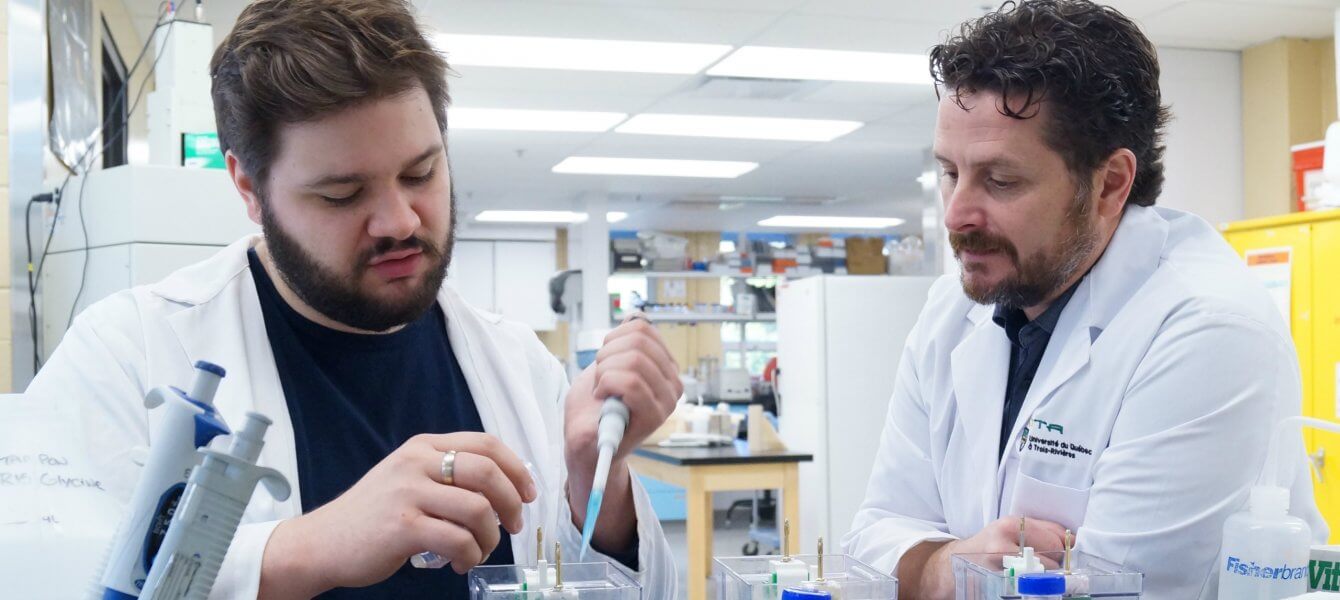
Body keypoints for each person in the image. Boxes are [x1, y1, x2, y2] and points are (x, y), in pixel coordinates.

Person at [26, 1, 682, 597]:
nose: (399, 219)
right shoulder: (129, 350)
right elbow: (36, 569)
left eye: (421, 172)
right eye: (343, 194)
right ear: (248, 187)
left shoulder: (516, 363)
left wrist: (596, 483)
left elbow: (628, 586)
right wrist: (300, 551)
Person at [841, 1, 1327, 598]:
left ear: (1110, 184)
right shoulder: (953, 311)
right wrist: (951, 566)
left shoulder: (1208, 331)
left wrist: (932, 570)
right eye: (950, 172)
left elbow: (1121, 588)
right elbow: (874, 536)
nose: (956, 214)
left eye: (1000, 180)